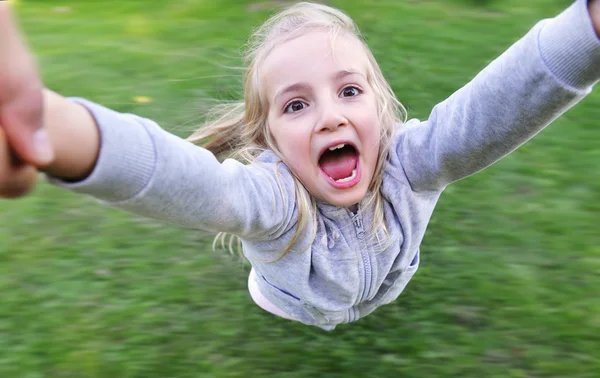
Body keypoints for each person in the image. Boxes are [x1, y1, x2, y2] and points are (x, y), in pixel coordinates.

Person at [0, 1, 599, 331]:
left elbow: (495, 108)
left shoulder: (410, 161)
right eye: (296, 105)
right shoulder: (273, 201)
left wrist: (588, 30)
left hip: (385, 283)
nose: (330, 118)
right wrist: (50, 128)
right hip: (290, 302)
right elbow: (182, 177)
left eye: (349, 91)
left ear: (381, 105)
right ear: (271, 139)